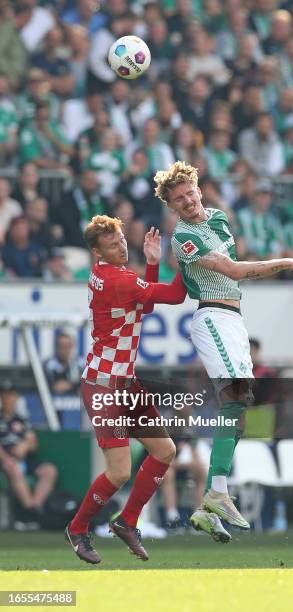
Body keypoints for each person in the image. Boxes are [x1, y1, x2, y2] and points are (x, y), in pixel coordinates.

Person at [154, 160, 293, 537]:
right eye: (179, 199)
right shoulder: (183, 236)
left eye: (189, 192)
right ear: (173, 207)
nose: (187, 201)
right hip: (212, 318)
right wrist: (288, 261)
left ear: (199, 189)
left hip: (233, 320)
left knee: (238, 410)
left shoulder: (220, 219)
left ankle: (213, 497)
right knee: (235, 399)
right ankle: (216, 494)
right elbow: (234, 271)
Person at [66, 215, 226, 564]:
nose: (122, 246)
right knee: (120, 471)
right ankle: (77, 528)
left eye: (122, 239)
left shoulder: (114, 276)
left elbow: (147, 303)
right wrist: (188, 257)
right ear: (97, 252)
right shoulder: (117, 279)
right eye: (113, 245)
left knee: (165, 450)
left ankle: (127, 521)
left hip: (124, 381)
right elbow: (173, 295)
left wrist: (152, 264)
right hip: (104, 385)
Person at [0, 381, 58, 529]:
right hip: (6, 460)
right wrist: (7, 458)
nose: (8, 399)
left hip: (26, 458)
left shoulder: (22, 419)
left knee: (49, 470)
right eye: (5, 395)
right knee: (14, 468)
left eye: (11, 395)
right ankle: (28, 512)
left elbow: (33, 443)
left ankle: (33, 509)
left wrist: (24, 445)